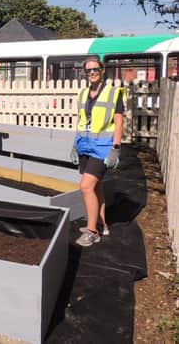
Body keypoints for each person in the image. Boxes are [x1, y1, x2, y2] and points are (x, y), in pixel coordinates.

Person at [71, 56, 125, 247]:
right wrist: (74, 144)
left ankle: (92, 231)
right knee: (96, 186)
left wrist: (116, 148)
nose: (92, 73)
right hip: (85, 145)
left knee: (86, 186)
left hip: (102, 148)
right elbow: (81, 120)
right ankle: (102, 225)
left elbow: (119, 122)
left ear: (102, 70)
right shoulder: (83, 94)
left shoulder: (113, 92)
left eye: (95, 69)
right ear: (85, 73)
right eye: (88, 70)